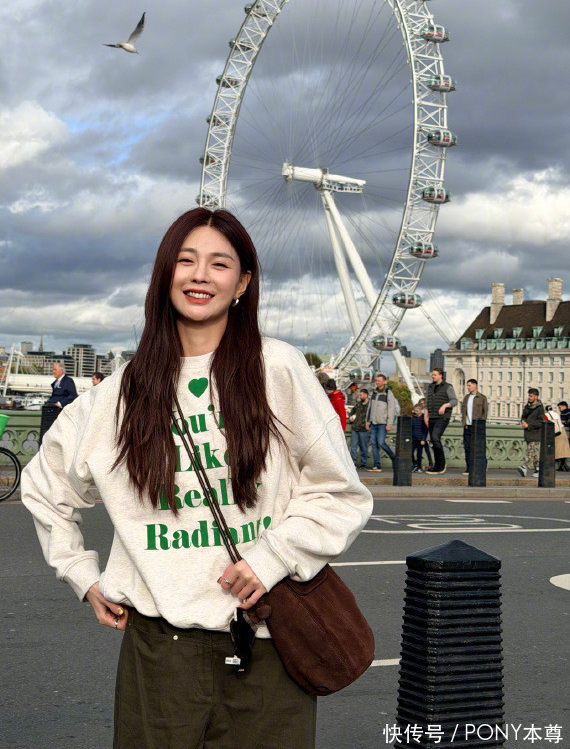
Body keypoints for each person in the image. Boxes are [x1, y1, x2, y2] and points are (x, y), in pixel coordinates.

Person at [21, 207, 373, 749]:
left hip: (269, 647)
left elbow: (340, 492)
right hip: (159, 657)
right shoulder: (116, 396)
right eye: (185, 261)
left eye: (219, 264)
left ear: (243, 283)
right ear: (165, 274)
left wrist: (272, 557)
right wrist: (81, 574)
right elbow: (44, 487)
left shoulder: (277, 369)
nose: (200, 275)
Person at [424, 367, 458, 474]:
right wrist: (426, 416)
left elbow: (454, 401)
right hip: (432, 417)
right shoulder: (430, 387)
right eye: (432, 374)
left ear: (440, 375)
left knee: (435, 437)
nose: (433, 376)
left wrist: (445, 405)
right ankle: (437, 465)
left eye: (435, 375)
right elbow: (427, 403)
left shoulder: (448, 387)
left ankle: (441, 465)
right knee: (434, 441)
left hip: (443, 417)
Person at [365, 372, 398, 471]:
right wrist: (367, 422)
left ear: (384, 382)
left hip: (383, 423)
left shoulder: (388, 393)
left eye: (379, 381)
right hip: (373, 423)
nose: (377, 382)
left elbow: (391, 409)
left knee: (381, 442)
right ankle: (377, 465)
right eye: (377, 381)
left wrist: (389, 423)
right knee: (374, 444)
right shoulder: (374, 392)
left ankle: (393, 457)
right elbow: (369, 408)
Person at [460, 378, 488, 475]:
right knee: (467, 448)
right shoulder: (466, 398)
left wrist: (481, 425)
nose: (467, 387)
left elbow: (485, 413)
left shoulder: (482, 398)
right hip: (467, 426)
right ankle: (469, 468)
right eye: (467, 385)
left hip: (477, 427)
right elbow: (463, 412)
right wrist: (464, 423)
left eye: (469, 385)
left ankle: (481, 467)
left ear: (475, 385)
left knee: (478, 448)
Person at [518, 388, 544, 478]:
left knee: (530, 450)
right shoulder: (527, 406)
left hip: (535, 433)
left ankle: (525, 467)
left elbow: (541, 422)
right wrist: (523, 421)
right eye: (529, 395)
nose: (529, 397)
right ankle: (538, 469)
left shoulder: (540, 408)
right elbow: (523, 416)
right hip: (528, 433)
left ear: (536, 397)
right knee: (534, 453)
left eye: (531, 396)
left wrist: (529, 425)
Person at [348, 387, 370, 469]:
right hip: (355, 428)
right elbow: (352, 411)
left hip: (364, 429)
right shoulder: (358, 404)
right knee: (353, 446)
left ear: (366, 395)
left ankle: (363, 463)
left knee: (363, 447)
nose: (360, 397)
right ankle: (353, 463)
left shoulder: (370, 405)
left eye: (361, 395)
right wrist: (350, 416)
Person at [544, 404, 570, 472]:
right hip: (561, 431)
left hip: (554, 432)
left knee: (557, 449)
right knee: (562, 449)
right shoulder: (556, 414)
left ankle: (561, 466)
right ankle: (563, 465)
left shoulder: (546, 415)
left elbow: (545, 423)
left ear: (546, 410)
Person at [411, 400, 430, 472]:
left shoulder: (423, 418)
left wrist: (423, 439)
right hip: (413, 438)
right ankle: (415, 464)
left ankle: (419, 467)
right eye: (414, 410)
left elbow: (425, 430)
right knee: (410, 452)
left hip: (420, 439)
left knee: (419, 454)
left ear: (421, 410)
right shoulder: (413, 418)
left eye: (417, 410)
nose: (415, 412)